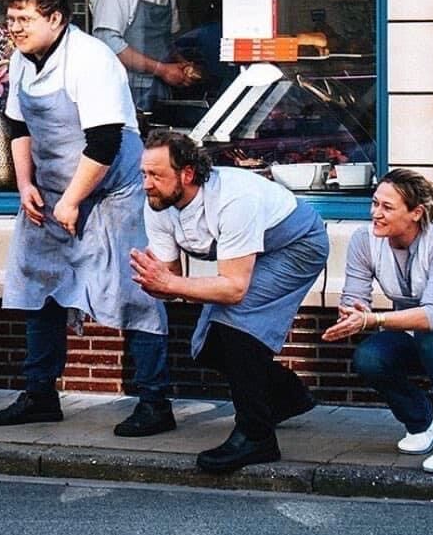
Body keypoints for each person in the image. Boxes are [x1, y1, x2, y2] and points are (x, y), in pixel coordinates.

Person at [0, 0, 173, 437]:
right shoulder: (22, 60)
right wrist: (24, 184)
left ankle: (155, 401)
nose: (15, 28)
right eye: (12, 19)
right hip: (52, 189)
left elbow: (105, 141)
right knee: (39, 286)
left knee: (137, 290)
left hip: (113, 191)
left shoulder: (92, 58)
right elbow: (18, 127)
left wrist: (71, 201)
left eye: (25, 19)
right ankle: (40, 394)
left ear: (56, 19)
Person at [132, 130, 328, 472]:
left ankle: (256, 437)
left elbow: (235, 289)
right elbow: (172, 279)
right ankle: (288, 395)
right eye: (144, 174)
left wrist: (170, 283)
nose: (147, 184)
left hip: (298, 245)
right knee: (207, 345)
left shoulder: (234, 199)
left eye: (156, 175)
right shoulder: (158, 204)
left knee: (236, 328)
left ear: (187, 174)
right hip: (255, 255)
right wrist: (156, 283)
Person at [322, 169, 433, 474]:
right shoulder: (364, 240)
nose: (375, 213)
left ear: (416, 213)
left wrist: (373, 319)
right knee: (369, 356)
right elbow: (355, 299)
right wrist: (352, 313)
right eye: (374, 203)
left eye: (387, 207)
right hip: (416, 331)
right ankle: (422, 421)